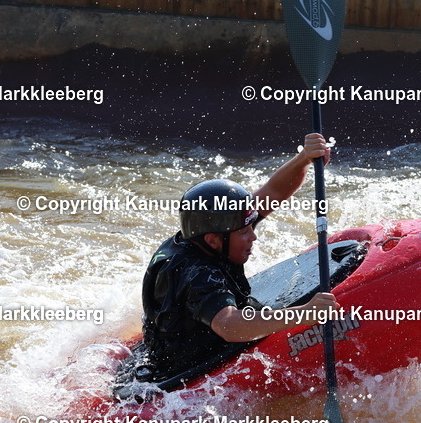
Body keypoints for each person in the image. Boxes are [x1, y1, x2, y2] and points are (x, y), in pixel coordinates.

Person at [136, 133, 340, 382]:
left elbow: (273, 192)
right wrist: (304, 314)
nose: (253, 236)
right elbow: (229, 326)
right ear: (213, 240)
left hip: (187, 331)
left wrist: (303, 159)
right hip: (189, 363)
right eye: (245, 232)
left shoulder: (206, 233)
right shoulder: (197, 274)